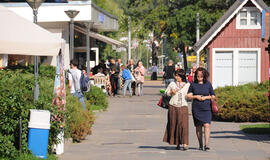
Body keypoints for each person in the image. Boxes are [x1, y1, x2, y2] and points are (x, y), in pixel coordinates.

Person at [187, 67, 215, 151]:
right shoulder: (193, 84)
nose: (199, 77)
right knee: (198, 127)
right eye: (198, 76)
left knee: (207, 125)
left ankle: (206, 145)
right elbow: (188, 95)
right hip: (196, 108)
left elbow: (213, 95)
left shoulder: (208, 84)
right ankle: (200, 144)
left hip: (207, 108)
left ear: (204, 76)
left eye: (201, 76)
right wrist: (196, 96)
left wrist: (206, 97)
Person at [163, 69, 190, 150]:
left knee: (184, 125)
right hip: (173, 106)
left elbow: (190, 94)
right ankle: (177, 143)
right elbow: (166, 93)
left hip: (183, 106)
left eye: (178, 75)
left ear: (182, 76)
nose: (177, 77)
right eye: (176, 75)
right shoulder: (172, 84)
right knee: (174, 124)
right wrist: (171, 92)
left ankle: (185, 143)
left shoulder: (187, 85)